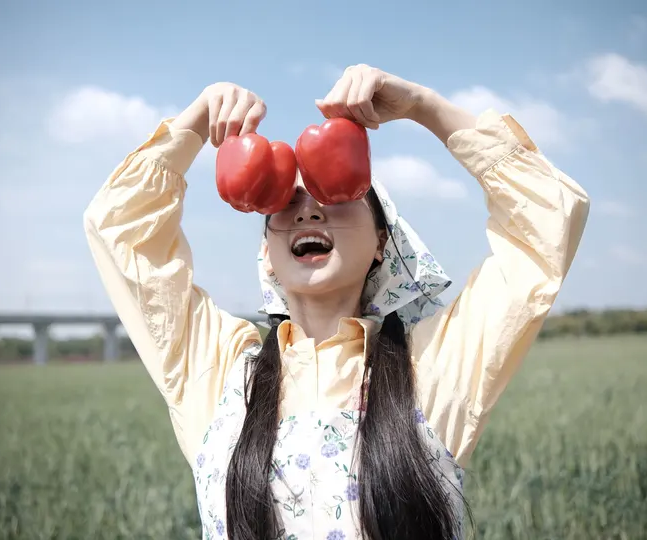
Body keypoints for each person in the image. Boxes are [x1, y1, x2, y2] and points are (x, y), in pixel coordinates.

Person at [84, 64, 590, 540]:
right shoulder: (218, 374)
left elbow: (548, 222)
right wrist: (196, 122)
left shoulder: (434, 368)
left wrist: (424, 106)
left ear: (382, 243)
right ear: (267, 255)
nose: (308, 213)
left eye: (337, 196)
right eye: (286, 204)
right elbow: (120, 230)